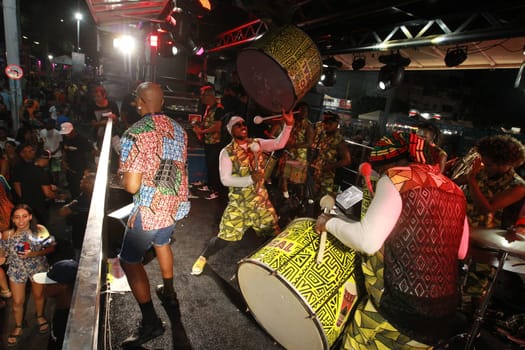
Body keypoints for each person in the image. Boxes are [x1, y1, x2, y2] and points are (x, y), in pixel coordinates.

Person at [315, 132, 469, 349]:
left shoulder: (398, 178)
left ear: (395, 162)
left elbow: (367, 241)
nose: (380, 174)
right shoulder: (454, 190)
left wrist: (329, 222)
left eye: (381, 169)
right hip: (442, 312)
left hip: (398, 308)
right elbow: (461, 251)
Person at [118, 82, 190, 347]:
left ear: (140, 101)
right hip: (174, 206)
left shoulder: (135, 133)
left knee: (129, 260)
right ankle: (168, 293)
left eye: (136, 101)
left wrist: (123, 175)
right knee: (162, 243)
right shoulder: (180, 130)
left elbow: (132, 186)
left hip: (149, 210)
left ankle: (150, 323)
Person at [191, 110, 294, 276]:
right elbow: (225, 180)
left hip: (261, 203)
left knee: (272, 237)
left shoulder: (257, 143)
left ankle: (272, 269)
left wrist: (288, 125)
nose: (242, 126)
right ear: (231, 130)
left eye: (243, 123)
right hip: (239, 205)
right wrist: (250, 179)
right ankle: (203, 257)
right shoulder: (227, 152)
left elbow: (279, 143)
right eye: (237, 125)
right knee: (223, 239)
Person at [0, 204, 56, 347]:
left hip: (37, 267)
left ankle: (40, 316)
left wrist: (34, 254)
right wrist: (2, 255)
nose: (21, 221)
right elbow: (3, 253)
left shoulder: (39, 230)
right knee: (17, 301)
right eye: (17, 217)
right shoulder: (7, 234)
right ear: (12, 219)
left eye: (24, 216)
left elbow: (51, 247)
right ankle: (18, 325)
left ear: (30, 217)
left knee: (39, 296)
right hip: (17, 270)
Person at [454, 134, 525, 229]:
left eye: (488, 165)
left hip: (486, 239)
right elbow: (451, 183)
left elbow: (486, 209)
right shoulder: (481, 173)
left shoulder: (518, 187)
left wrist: (472, 181)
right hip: (460, 227)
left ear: (505, 164)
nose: (484, 167)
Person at [33, 259, 78, 350]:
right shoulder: (61, 306)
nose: (44, 286)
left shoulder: (66, 324)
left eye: (49, 284)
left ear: (63, 285)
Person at [192, 85, 225, 200]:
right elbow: (208, 122)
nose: (202, 98)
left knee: (214, 166)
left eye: (203, 95)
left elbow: (218, 126)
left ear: (210, 95)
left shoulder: (219, 108)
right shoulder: (209, 108)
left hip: (216, 142)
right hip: (209, 141)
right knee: (209, 165)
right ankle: (210, 186)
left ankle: (216, 190)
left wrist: (202, 131)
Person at [310, 111, 351, 200]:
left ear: (336, 124)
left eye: (330, 123)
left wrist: (331, 166)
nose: (326, 126)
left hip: (328, 178)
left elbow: (347, 160)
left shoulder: (339, 140)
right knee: (312, 199)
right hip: (316, 173)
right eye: (325, 123)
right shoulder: (322, 135)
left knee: (323, 202)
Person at [12, 144, 56, 225]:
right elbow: (16, 184)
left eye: (32, 150)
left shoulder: (30, 167)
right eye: (29, 151)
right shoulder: (40, 172)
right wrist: (56, 195)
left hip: (30, 202)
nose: (32, 152)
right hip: (36, 204)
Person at [279, 101, 313, 200]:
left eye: (305, 111)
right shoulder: (292, 121)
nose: (303, 112)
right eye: (301, 110)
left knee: (298, 182)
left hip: (300, 156)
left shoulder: (308, 125)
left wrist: (294, 145)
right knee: (285, 176)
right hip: (289, 153)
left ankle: (299, 200)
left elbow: (309, 143)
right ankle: (285, 197)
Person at [58, 172, 95, 261]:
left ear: (89, 184)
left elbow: (62, 212)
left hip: (82, 238)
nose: (81, 181)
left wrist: (70, 203)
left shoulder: (82, 201)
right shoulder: (89, 196)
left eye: (84, 180)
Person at [60, 122, 95, 199]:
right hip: (70, 170)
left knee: (81, 190)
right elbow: (64, 150)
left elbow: (92, 153)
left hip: (81, 170)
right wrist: (63, 161)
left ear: (72, 131)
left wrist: (87, 169)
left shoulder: (82, 140)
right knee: (72, 189)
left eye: (67, 133)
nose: (65, 135)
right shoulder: (66, 139)